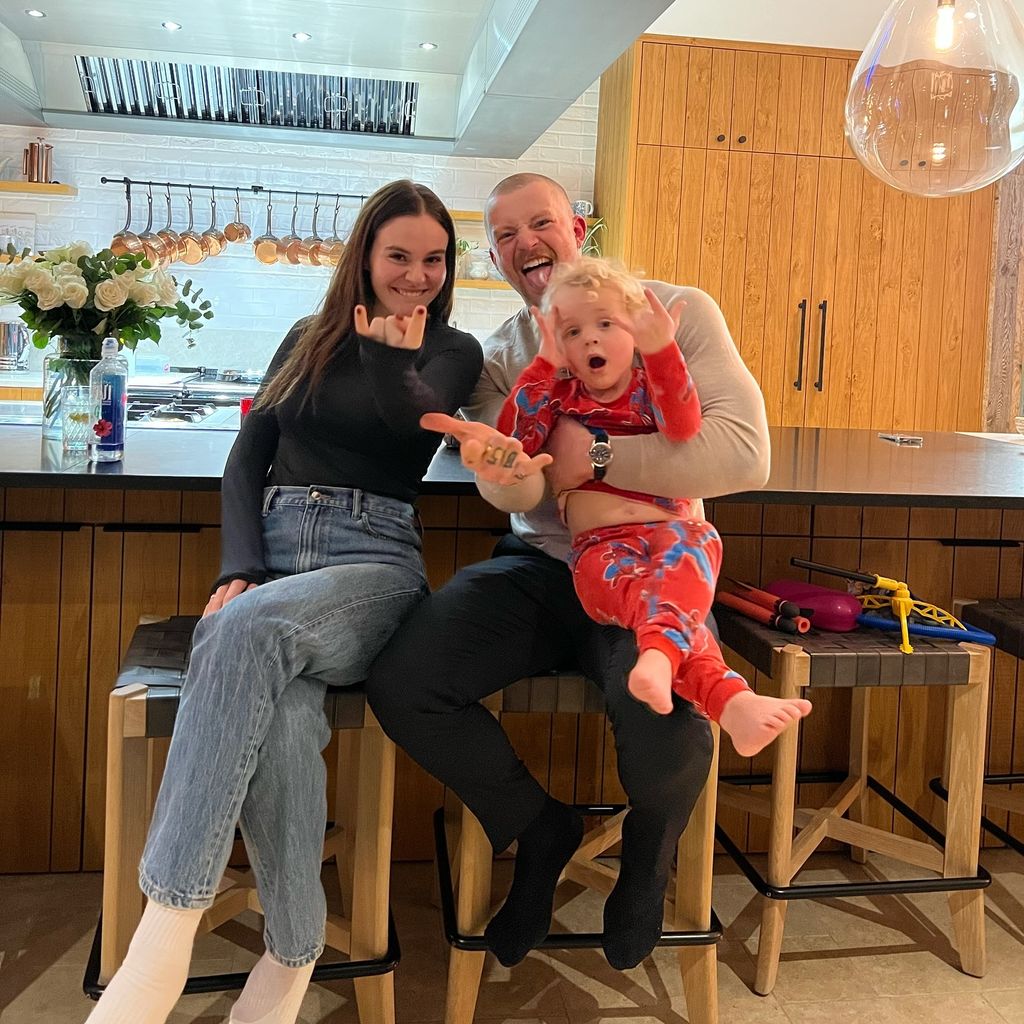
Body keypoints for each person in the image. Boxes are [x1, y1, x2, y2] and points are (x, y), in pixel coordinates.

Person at [87, 179, 482, 1024]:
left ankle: (163, 934)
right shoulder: (307, 337)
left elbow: (409, 429)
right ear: (365, 258)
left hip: (373, 567)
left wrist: (386, 354)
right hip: (274, 557)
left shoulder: (452, 349)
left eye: (434, 259)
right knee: (287, 709)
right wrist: (240, 564)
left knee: (242, 631)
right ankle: (294, 955)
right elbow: (246, 457)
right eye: (399, 256)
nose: (418, 275)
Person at [366, 172, 771, 972]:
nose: (528, 245)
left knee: (673, 722)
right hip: (540, 566)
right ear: (493, 257)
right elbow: (510, 485)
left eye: (541, 223)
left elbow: (745, 451)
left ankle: (647, 863)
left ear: (576, 227)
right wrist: (509, 468)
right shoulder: (500, 355)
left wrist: (599, 456)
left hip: (656, 565)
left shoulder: (671, 312)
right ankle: (538, 826)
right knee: (405, 682)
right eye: (507, 236)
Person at [472, 256, 811, 756]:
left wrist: (662, 351)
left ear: (632, 332)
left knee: (690, 562)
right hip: (600, 554)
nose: (590, 339)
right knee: (669, 611)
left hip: (672, 539)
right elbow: (519, 437)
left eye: (606, 324)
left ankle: (724, 700)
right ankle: (712, 686)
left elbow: (683, 425)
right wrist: (542, 365)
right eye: (571, 331)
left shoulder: (648, 388)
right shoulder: (557, 396)